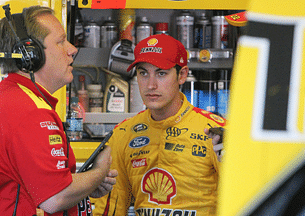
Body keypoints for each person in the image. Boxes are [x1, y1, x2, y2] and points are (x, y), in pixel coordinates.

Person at [0, 5, 117, 216]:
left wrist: (84, 185)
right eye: (60, 41)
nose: (72, 49)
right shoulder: (29, 110)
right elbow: (55, 197)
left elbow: (38, 187)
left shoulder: (10, 99)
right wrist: (99, 172)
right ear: (30, 55)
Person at [92, 34, 226, 216]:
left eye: (161, 73)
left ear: (182, 75)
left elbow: (246, 196)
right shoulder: (124, 133)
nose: (151, 85)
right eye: (143, 73)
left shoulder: (216, 131)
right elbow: (109, 208)